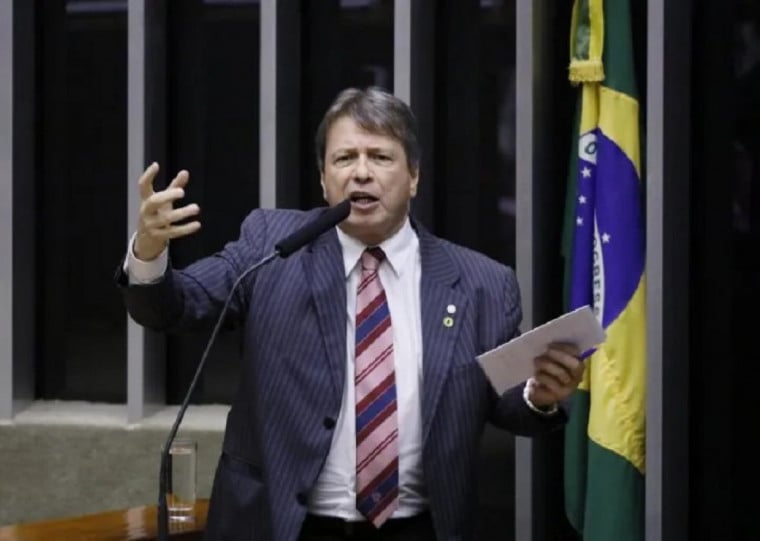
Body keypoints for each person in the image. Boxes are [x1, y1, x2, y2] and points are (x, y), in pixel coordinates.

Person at [116, 87, 585, 541]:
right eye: (344, 158)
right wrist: (149, 251)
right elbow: (177, 305)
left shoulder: (481, 283)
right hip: (286, 526)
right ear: (324, 179)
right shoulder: (272, 246)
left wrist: (539, 395)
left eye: (380, 157)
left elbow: (505, 402)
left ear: (414, 176)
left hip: (418, 528)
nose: (361, 173)